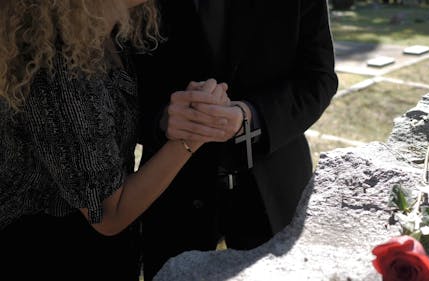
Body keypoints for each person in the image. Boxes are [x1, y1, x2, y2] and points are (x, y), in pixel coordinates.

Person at [0, 1, 228, 280]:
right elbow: (107, 214)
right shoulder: (58, 63)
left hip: (98, 252)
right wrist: (192, 136)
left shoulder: (102, 32)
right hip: (47, 255)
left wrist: (182, 115)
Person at [133, 0, 339, 279]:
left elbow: (318, 78)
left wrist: (251, 116)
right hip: (173, 197)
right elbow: (117, 82)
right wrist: (161, 119)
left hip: (274, 189)